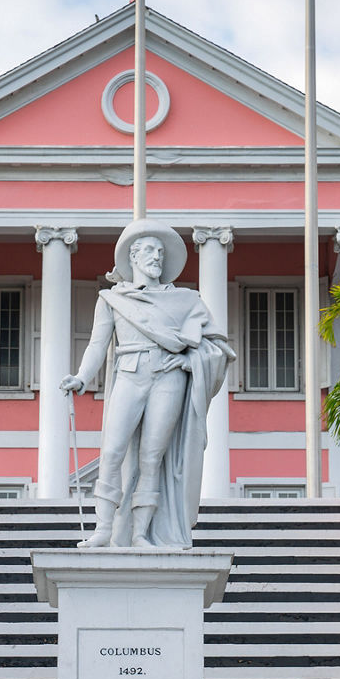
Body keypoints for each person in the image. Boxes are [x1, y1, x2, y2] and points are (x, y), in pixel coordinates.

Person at [60, 219, 235, 548]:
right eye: (150, 251)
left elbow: (219, 348)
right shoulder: (112, 299)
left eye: (161, 252)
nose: (158, 257)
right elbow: (98, 345)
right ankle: (103, 530)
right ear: (134, 257)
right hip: (129, 372)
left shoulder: (187, 301)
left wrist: (188, 361)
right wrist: (82, 376)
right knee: (112, 452)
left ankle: (140, 533)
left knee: (152, 457)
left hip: (168, 377)